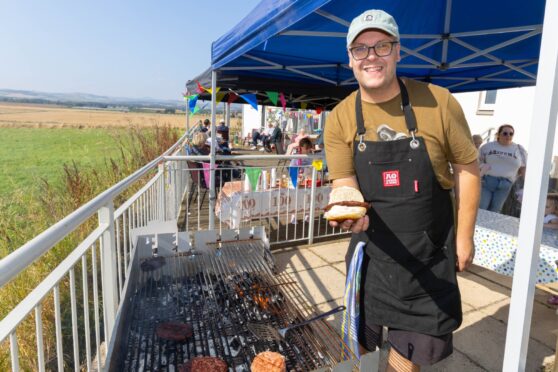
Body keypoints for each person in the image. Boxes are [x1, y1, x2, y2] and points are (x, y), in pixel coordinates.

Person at [323, 9, 480, 370]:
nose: (371, 56)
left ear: (398, 52)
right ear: (350, 59)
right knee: (360, 355)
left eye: (381, 46)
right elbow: (344, 180)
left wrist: (465, 238)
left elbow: (467, 167)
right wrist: (348, 208)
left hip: (427, 258)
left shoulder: (438, 102)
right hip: (372, 257)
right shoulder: (342, 117)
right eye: (360, 49)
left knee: (404, 363)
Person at [478, 124, 527, 213]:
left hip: (506, 184)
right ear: (498, 134)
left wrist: (526, 185)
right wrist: (481, 169)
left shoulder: (519, 149)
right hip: (488, 181)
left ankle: (488, 227)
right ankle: (477, 227)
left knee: (496, 210)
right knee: (482, 207)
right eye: (505, 133)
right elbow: (477, 161)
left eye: (511, 134)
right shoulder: (487, 147)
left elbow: (523, 168)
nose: (508, 136)